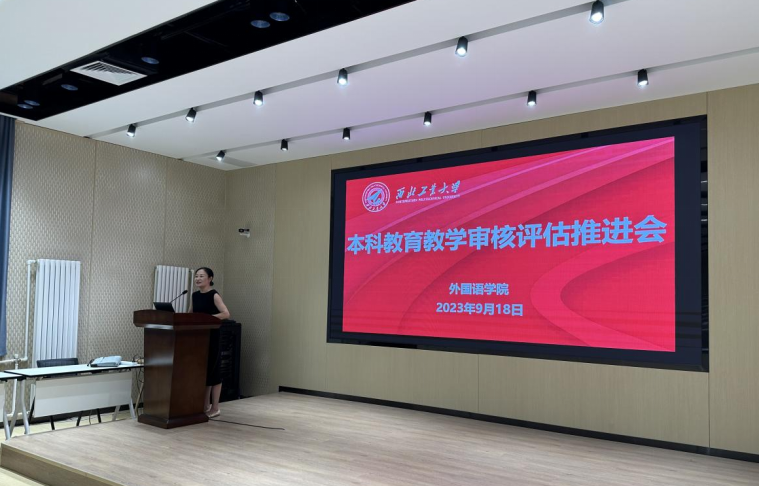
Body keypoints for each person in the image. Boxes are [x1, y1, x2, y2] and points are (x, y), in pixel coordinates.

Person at [190, 267, 230, 418]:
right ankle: (205, 405)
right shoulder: (194, 295)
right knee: (204, 371)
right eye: (196, 276)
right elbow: (191, 314)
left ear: (210, 278)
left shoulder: (214, 295)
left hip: (212, 336)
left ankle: (215, 407)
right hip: (199, 338)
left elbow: (226, 313)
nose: (198, 278)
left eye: (201, 276)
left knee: (214, 372)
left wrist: (208, 318)